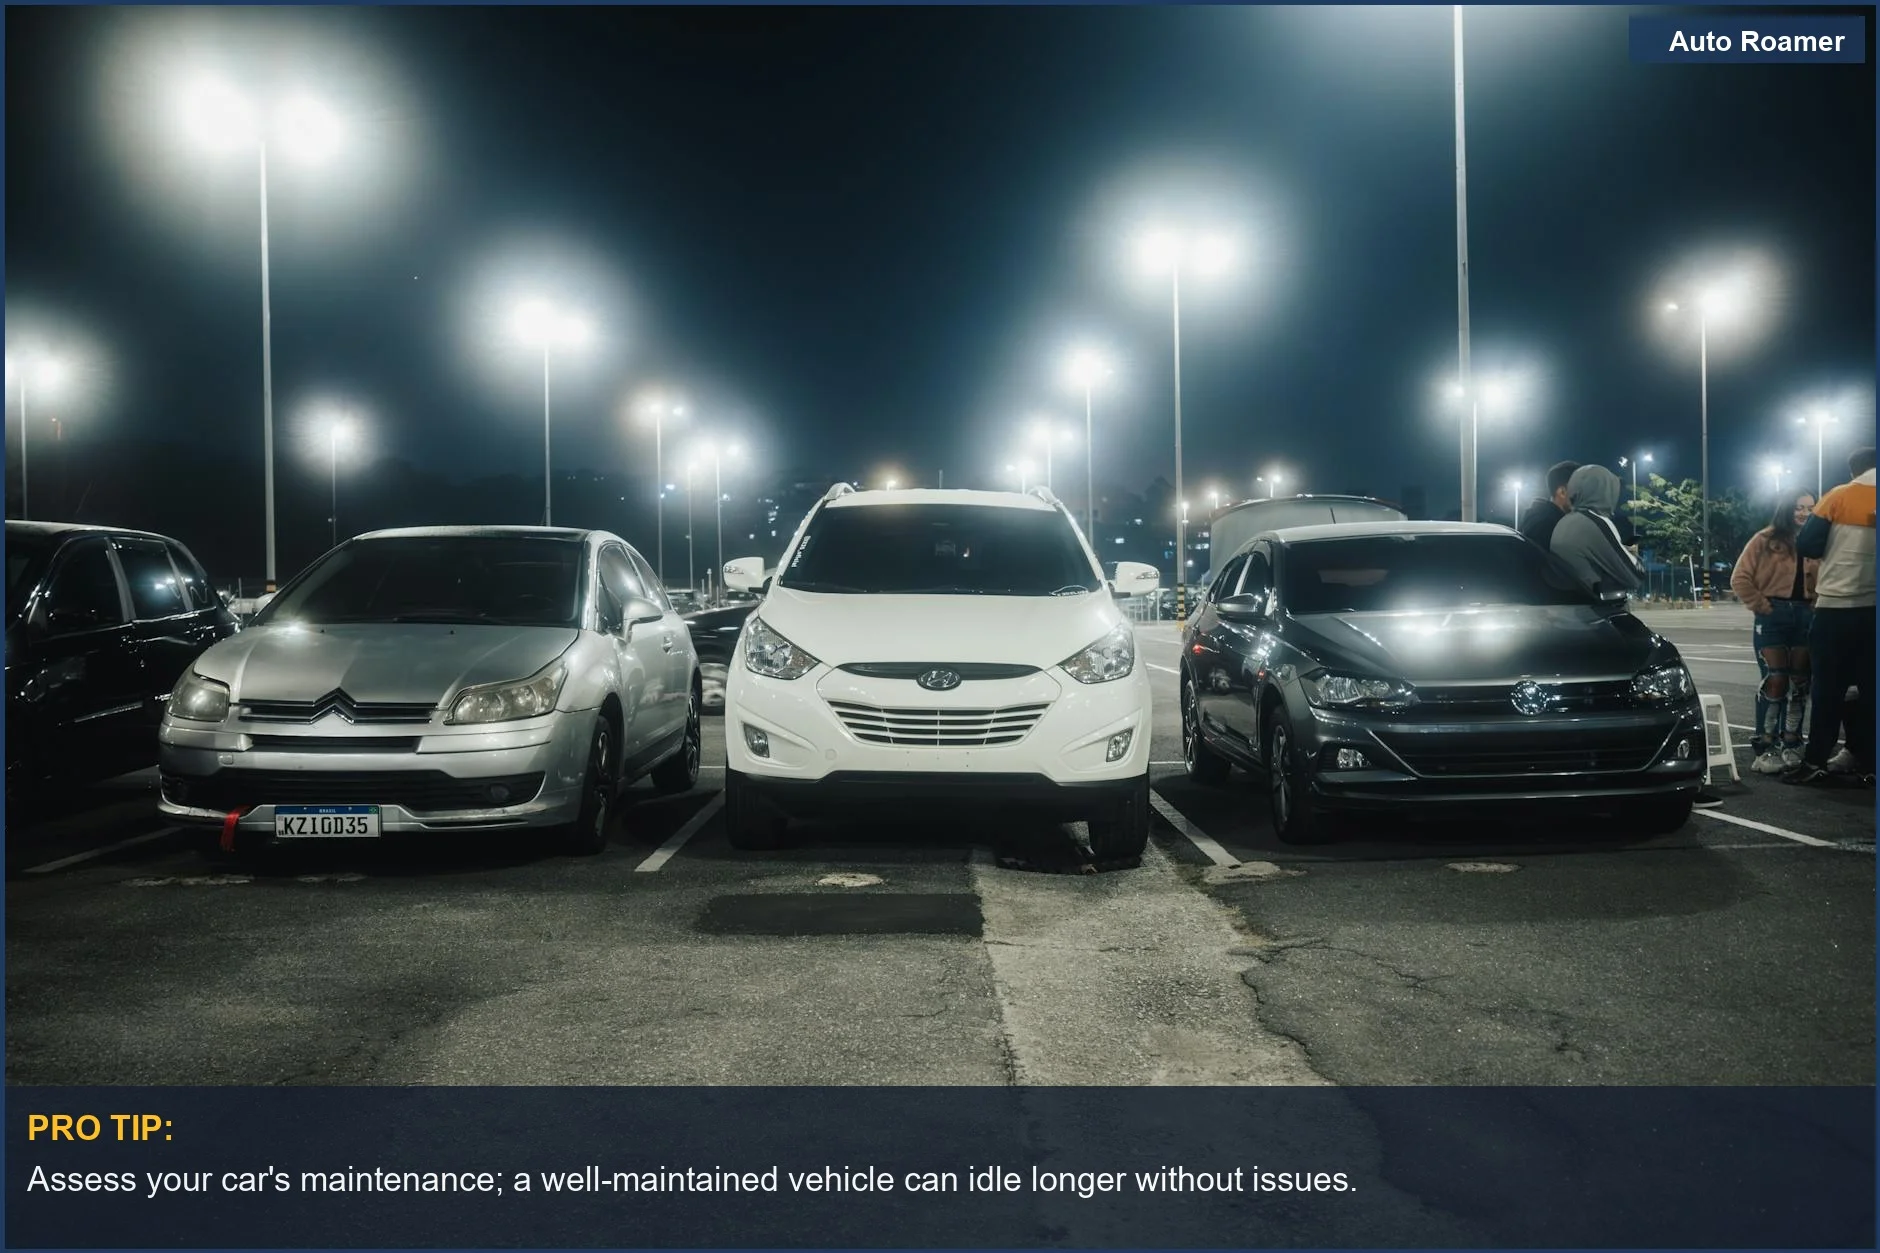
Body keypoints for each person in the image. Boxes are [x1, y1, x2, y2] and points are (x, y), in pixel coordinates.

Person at [1785, 447, 1876, 787]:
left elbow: (1808, 544)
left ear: (1854, 471)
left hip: (1837, 606)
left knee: (1828, 689)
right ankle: (1868, 762)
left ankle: (1815, 761)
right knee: (1870, 691)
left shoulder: (1839, 496)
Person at [1730, 490, 1817, 773]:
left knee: (1799, 684)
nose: (1804, 513)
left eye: (1809, 508)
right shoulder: (1764, 539)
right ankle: (1765, 749)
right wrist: (1761, 606)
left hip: (1806, 616)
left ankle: (1792, 744)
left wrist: (1815, 604)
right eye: (1798, 508)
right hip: (1773, 616)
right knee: (1775, 681)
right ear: (1786, 509)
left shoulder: (1816, 540)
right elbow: (1739, 577)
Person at [1550, 465, 1645, 599]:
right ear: (1605, 491)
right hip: (1593, 611)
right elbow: (1636, 575)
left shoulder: (1565, 521)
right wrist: (1634, 556)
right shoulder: (1595, 522)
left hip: (1570, 605)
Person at [1519, 461, 1580, 549]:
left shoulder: (1546, 519)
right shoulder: (1543, 526)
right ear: (1562, 492)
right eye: (1579, 489)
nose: (1584, 495)